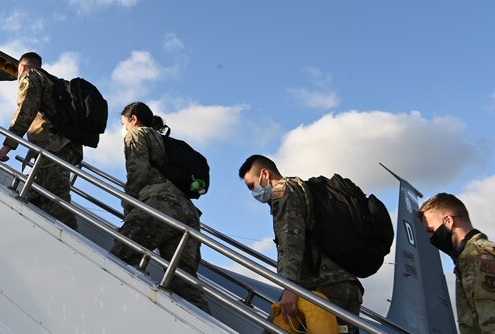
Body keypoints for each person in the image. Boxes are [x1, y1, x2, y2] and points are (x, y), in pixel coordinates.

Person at [239, 154, 362, 333]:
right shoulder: (303, 190)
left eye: (252, 185)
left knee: (276, 328)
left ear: (265, 174)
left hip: (321, 286)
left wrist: (290, 287)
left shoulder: (283, 191)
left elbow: (290, 240)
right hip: (346, 286)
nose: (253, 192)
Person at [109, 102, 210, 313]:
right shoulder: (166, 142)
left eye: (124, 123)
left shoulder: (138, 134)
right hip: (188, 215)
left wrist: (128, 203)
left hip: (160, 205)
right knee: (183, 283)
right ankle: (207, 323)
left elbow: (138, 172)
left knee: (122, 255)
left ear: (133, 119)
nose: (124, 128)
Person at [0, 52, 81, 231]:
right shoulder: (53, 82)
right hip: (64, 146)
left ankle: (76, 242)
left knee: (55, 200)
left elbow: (26, 109)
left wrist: (9, 144)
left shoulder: (31, 75)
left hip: (53, 147)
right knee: (35, 195)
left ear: (22, 67)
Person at [419, 193, 495, 333]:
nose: (431, 238)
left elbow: (491, 322)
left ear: (448, 221)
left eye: (431, 230)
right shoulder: (469, 258)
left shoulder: (477, 256)